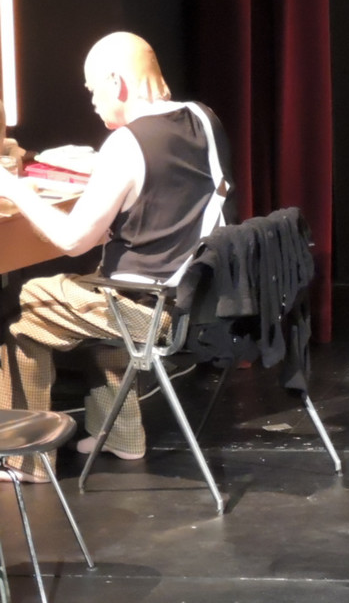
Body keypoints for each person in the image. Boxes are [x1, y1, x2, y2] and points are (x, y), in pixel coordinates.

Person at [0, 31, 233, 482]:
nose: (92, 102)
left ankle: (26, 460)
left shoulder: (127, 144)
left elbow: (72, 240)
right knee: (91, 287)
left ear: (116, 82)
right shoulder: (203, 118)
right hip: (200, 299)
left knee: (21, 310)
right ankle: (121, 435)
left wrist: (14, 189)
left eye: (93, 89)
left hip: (154, 310)